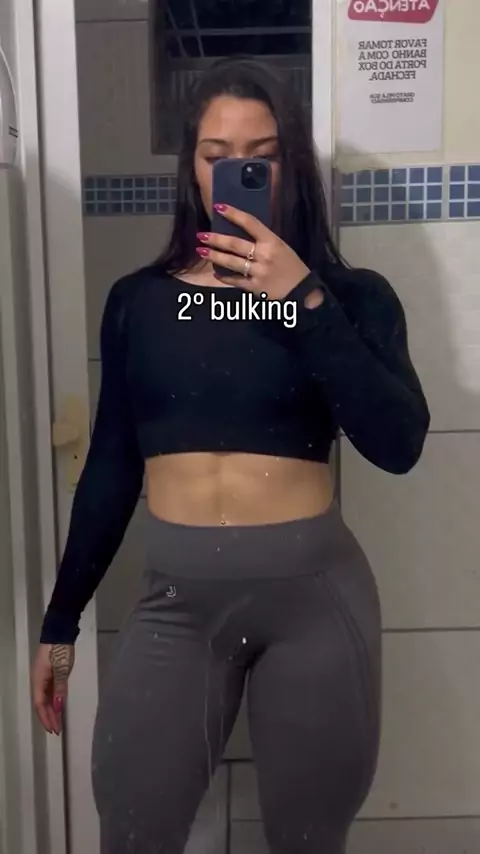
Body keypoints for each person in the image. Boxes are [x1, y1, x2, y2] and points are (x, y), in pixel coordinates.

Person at [31, 56, 430, 854]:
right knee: (133, 831)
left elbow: (398, 445)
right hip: (176, 605)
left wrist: (305, 298)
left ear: (291, 166)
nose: (237, 172)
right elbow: (111, 466)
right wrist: (61, 619)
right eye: (216, 155)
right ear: (191, 166)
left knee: (307, 841)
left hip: (316, 606)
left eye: (262, 156)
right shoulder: (140, 302)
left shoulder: (350, 297)